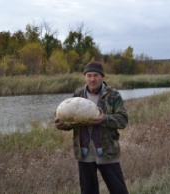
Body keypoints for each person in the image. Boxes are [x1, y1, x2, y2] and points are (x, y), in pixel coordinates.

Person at [54, 61, 129, 194]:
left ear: (102, 77)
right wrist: (61, 125)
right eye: (89, 75)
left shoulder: (113, 95)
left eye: (96, 75)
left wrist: (104, 119)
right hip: (84, 153)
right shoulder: (78, 95)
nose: (92, 79)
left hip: (107, 152)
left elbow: (123, 120)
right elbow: (71, 120)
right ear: (85, 77)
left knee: (119, 190)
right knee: (88, 191)